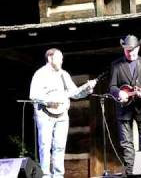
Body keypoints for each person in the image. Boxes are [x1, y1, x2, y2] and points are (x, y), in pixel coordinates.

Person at [29, 48, 97, 178]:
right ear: (50, 58)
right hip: (45, 115)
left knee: (59, 146)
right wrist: (49, 101)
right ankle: (45, 175)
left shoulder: (64, 74)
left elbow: (75, 93)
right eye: (59, 57)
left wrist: (87, 89)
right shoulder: (40, 74)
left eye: (62, 58)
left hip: (62, 116)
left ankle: (58, 175)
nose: (62, 60)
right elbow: (33, 95)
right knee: (45, 146)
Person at [109, 34, 141, 175]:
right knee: (126, 142)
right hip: (124, 108)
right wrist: (119, 93)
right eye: (128, 50)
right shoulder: (116, 65)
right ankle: (130, 171)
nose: (131, 53)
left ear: (138, 48)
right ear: (124, 49)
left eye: (133, 50)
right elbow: (112, 87)